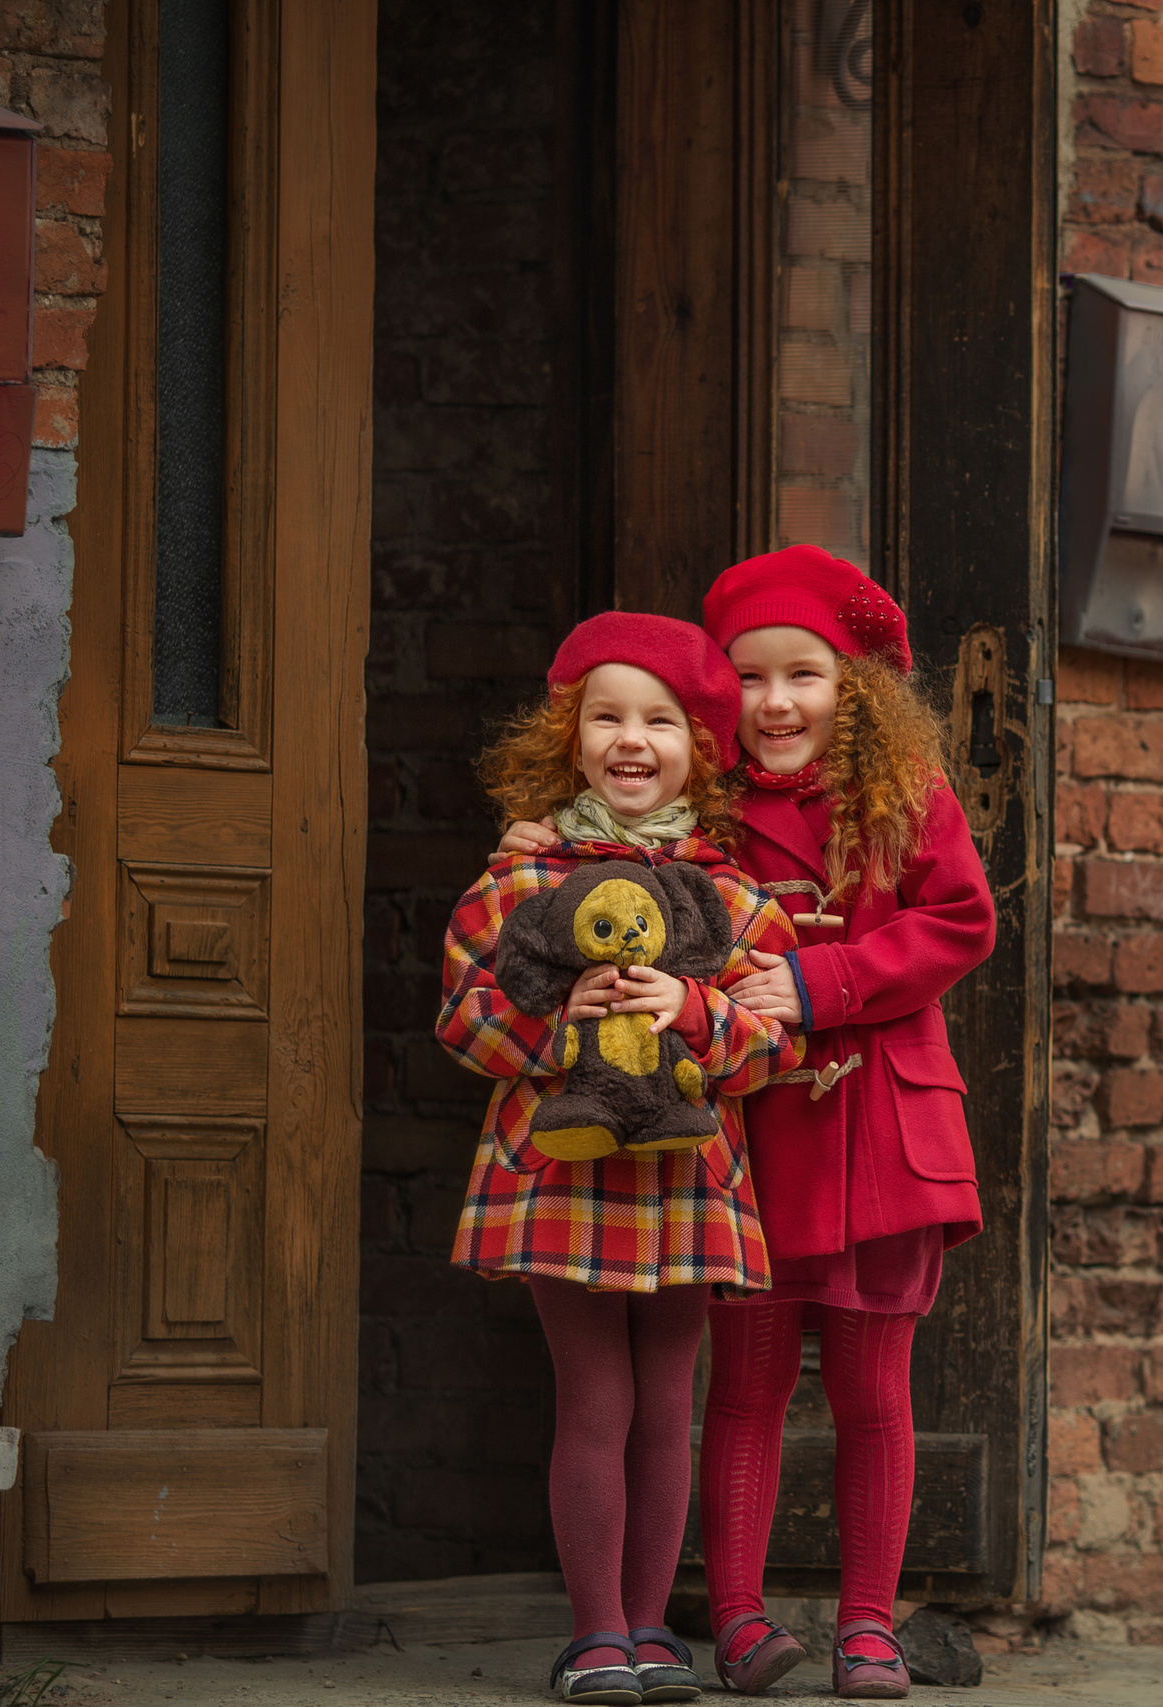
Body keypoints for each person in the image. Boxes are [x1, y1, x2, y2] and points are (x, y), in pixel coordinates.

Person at [505, 547, 994, 1698]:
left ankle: (867, 1626)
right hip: (758, 1129)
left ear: (852, 690)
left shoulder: (909, 797)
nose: (778, 704)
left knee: (877, 1391)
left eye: (806, 676)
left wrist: (825, 987)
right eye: (753, 679)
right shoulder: (704, 814)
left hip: (885, 1125)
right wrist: (540, 848)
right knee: (748, 1380)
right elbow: (613, 872)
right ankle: (735, 1619)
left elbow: (961, 921)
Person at [442, 611, 805, 1707]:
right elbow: (464, 1021)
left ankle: (654, 1630)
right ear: (571, 738)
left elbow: (771, 1045)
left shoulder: (735, 898)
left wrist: (691, 1009)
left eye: (661, 719)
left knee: (665, 1406)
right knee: (593, 1403)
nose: (631, 738)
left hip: (686, 1180)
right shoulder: (516, 884)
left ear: (701, 744)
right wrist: (562, 1030)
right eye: (606, 716)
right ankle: (595, 1633)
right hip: (561, 1175)